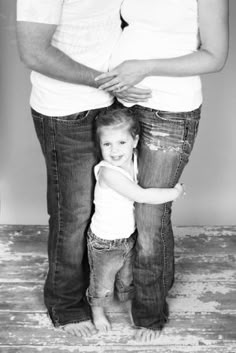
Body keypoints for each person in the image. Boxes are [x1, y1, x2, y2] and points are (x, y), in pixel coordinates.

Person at [15, 0, 152, 338]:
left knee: (103, 207)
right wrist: (105, 80)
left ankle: (99, 289)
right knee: (73, 213)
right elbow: (34, 52)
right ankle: (64, 304)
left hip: (109, 107)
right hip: (66, 110)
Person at [95, 0, 229, 342]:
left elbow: (215, 56)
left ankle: (149, 313)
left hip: (170, 110)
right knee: (119, 205)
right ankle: (117, 291)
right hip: (122, 103)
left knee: (150, 215)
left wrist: (144, 66)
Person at [87, 108, 185, 332]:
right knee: (102, 283)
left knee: (127, 278)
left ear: (135, 141)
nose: (114, 150)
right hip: (105, 242)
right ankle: (97, 311)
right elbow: (141, 195)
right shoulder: (107, 172)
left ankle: (131, 304)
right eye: (107, 144)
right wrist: (174, 193)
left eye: (121, 142)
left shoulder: (135, 161)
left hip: (128, 236)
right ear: (99, 145)